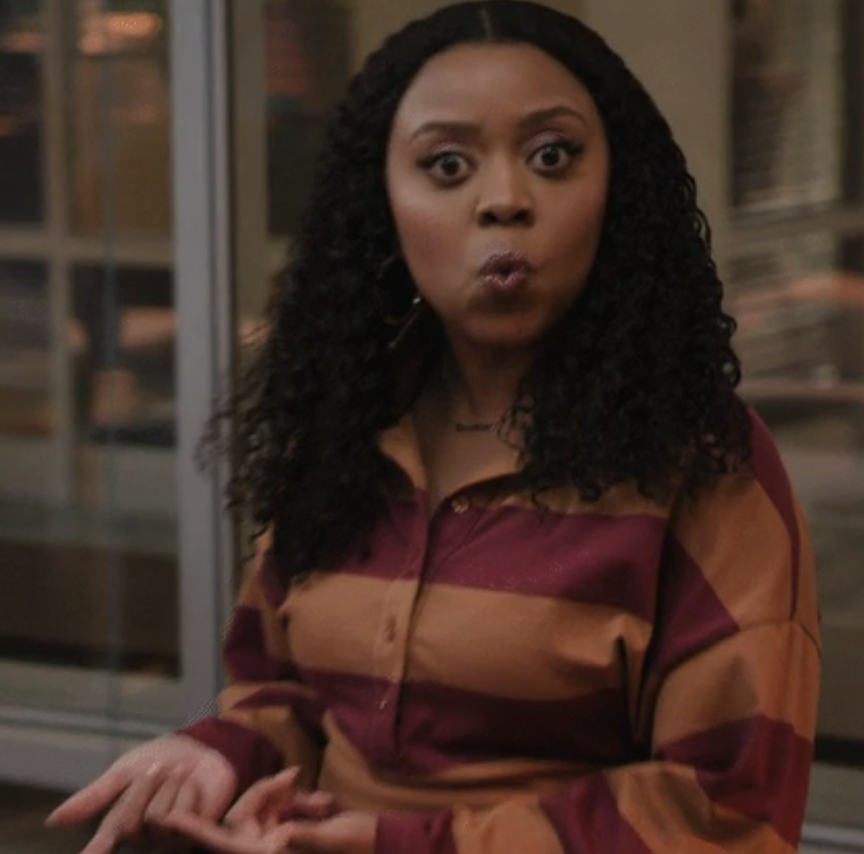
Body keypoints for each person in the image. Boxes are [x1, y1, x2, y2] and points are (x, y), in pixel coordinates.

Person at [46, 2, 821, 852]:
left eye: (552, 155)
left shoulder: (705, 462)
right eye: (446, 164)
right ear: (383, 203)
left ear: (620, 187)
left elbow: (724, 811)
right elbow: (289, 694)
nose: (503, 200)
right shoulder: (349, 425)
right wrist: (221, 751)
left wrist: (399, 844)